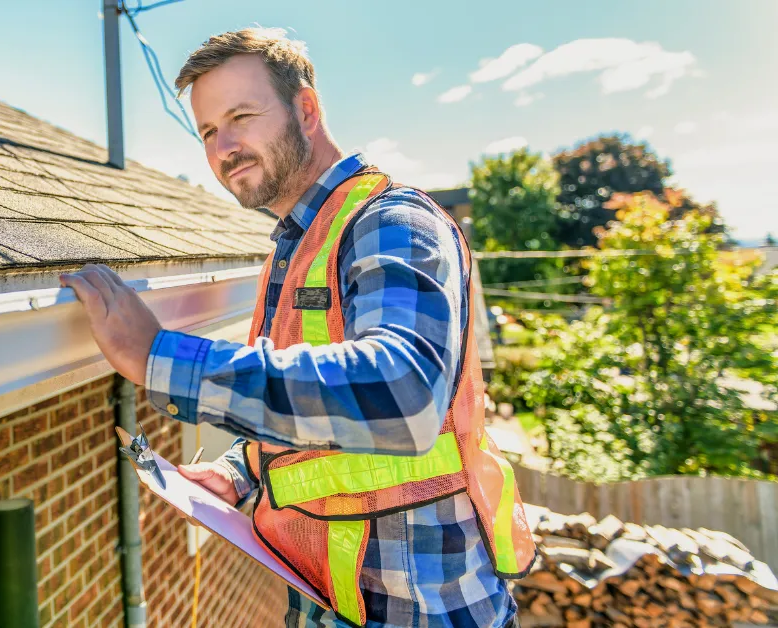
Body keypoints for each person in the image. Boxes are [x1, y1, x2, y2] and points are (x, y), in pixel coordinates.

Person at [61, 27, 534, 628]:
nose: (223, 146)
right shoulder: (298, 246)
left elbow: (403, 395)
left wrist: (159, 358)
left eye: (241, 116)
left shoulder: (389, 221)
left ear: (305, 109)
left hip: (430, 611)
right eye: (208, 131)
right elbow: (319, 406)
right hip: (340, 604)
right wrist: (243, 470)